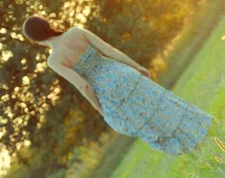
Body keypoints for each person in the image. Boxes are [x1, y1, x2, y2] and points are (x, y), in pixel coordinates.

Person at [21, 15, 214, 156]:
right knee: (162, 103)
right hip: (122, 73)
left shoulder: (54, 60)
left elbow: (83, 86)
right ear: (48, 24)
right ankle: (202, 128)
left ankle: (190, 148)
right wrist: (137, 67)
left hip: (108, 93)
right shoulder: (76, 32)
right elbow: (110, 50)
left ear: (35, 39)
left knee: (147, 122)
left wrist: (100, 109)